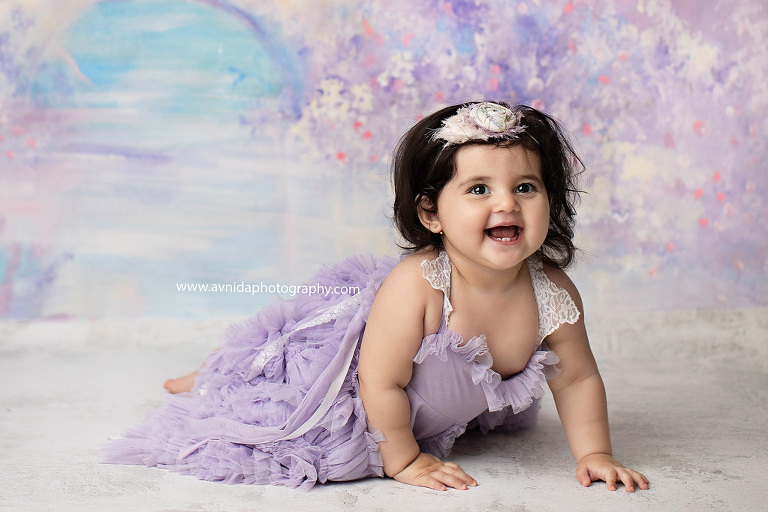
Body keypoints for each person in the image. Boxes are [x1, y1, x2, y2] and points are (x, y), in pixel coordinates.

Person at [102, 101, 649, 493]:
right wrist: (404, 460)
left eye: (525, 187)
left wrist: (594, 453)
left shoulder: (551, 291)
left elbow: (576, 378)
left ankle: (209, 373)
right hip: (348, 381)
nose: (505, 203)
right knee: (266, 386)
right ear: (431, 212)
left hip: (413, 392)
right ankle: (208, 374)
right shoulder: (421, 285)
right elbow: (379, 381)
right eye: (478, 189)